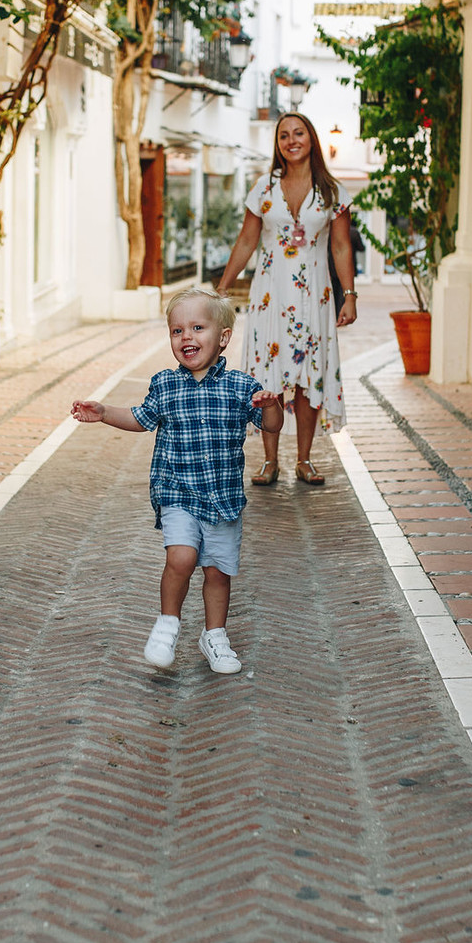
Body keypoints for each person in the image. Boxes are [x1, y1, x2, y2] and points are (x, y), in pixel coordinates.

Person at [71, 287, 282, 675]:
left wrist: (273, 407)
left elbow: (270, 426)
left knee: (217, 572)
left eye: (197, 327)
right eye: (176, 330)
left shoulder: (241, 387)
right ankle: (167, 625)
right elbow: (140, 418)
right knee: (181, 557)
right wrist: (103, 412)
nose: (186, 337)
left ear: (222, 338)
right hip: (178, 493)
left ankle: (214, 635)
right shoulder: (165, 385)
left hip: (223, 498)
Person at [216, 112, 356, 486]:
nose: (291, 140)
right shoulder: (264, 187)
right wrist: (223, 286)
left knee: (310, 375)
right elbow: (247, 240)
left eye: (298, 133)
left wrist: (350, 295)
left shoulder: (332, 191)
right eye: (283, 136)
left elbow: (342, 247)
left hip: (316, 295)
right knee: (267, 376)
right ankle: (269, 460)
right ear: (277, 144)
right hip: (270, 295)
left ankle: (305, 459)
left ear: (311, 138)